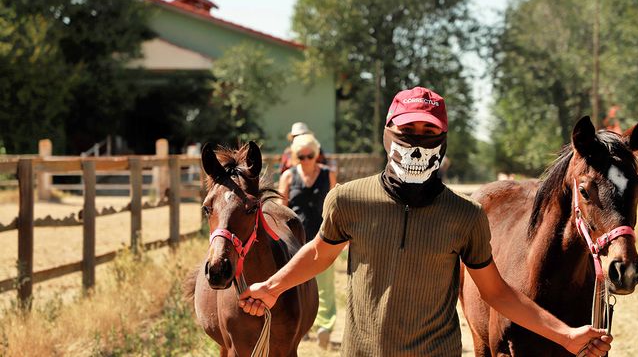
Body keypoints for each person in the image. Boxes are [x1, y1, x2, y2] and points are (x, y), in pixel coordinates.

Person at [239, 87, 612, 356]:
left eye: (429, 133)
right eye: (407, 132)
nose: (417, 142)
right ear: (388, 135)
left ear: (444, 139)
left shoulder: (466, 216)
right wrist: (271, 288)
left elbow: (497, 293)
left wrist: (565, 335)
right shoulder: (349, 200)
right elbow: (320, 254)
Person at [278, 133, 337, 349]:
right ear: (295, 156)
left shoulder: (328, 175)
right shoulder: (288, 177)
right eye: (300, 156)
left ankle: (325, 327)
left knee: (325, 285)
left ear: (317, 154)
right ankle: (302, 325)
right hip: (295, 241)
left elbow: (336, 205)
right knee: (295, 284)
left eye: (309, 155)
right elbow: (279, 208)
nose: (305, 160)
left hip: (325, 237)